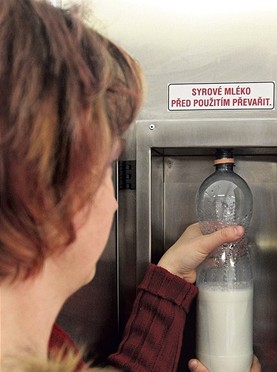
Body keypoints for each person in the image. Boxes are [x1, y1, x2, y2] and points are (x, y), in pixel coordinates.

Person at [0, 1, 261, 371]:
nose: (114, 205)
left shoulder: (39, 345)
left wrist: (171, 276)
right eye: (107, 166)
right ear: (46, 191)